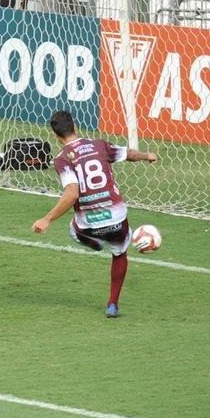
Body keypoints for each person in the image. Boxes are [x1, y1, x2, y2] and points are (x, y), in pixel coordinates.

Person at [32, 110, 158, 318]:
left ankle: (96, 244)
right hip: (117, 219)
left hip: (88, 224)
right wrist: (148, 156)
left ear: (55, 135)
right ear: (75, 126)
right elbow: (130, 154)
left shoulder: (62, 159)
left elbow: (72, 193)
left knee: (73, 230)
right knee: (119, 252)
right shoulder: (100, 145)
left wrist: (47, 219)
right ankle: (112, 304)